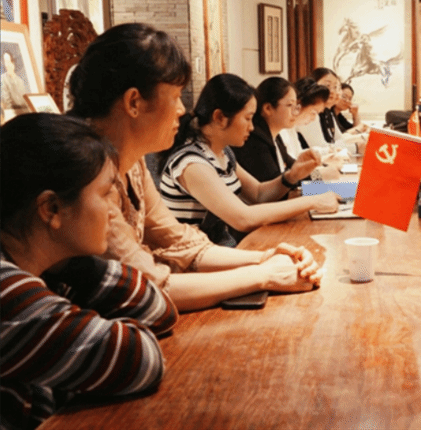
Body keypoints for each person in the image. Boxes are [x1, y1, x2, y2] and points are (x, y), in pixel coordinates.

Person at [67, 23, 322, 312]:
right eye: (176, 96)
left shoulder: (134, 163)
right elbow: (147, 287)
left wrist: (265, 257)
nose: (181, 109)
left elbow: (177, 238)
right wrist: (264, 271)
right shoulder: (90, 174)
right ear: (134, 102)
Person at [0, 113, 178, 430]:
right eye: (106, 193)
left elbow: (161, 307)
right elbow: (141, 359)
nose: (113, 210)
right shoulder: (8, 291)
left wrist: (78, 266)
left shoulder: (52, 271)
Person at [159, 74, 340, 246]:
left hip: (218, 249)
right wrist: (314, 199)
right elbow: (243, 218)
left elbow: (258, 194)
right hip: (203, 255)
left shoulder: (224, 152)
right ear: (220, 118)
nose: (251, 127)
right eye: (247, 118)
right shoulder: (193, 162)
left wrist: (292, 176)